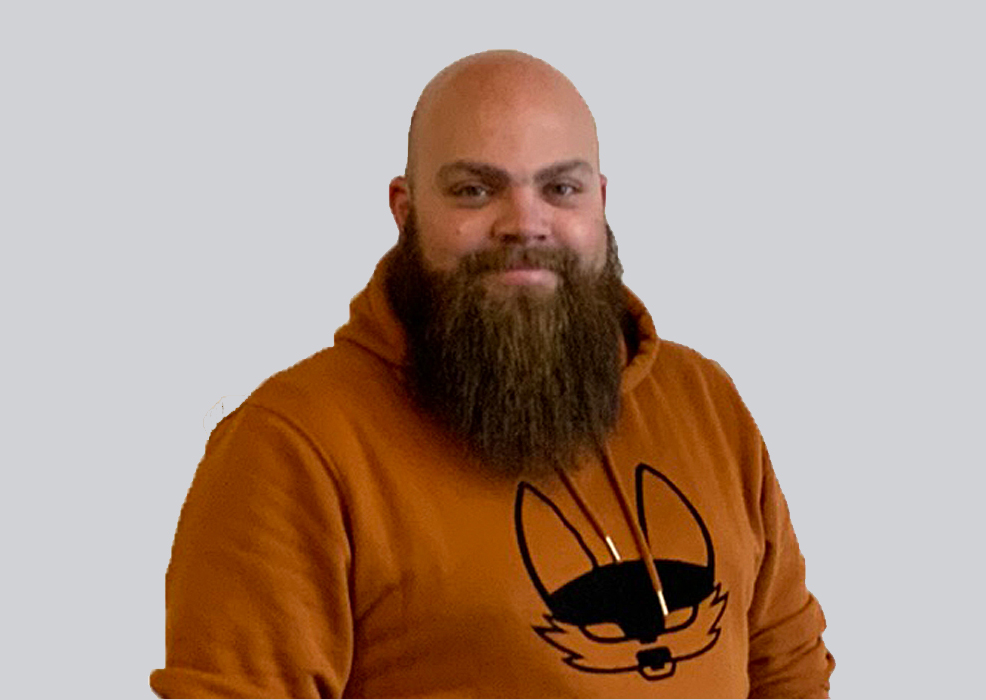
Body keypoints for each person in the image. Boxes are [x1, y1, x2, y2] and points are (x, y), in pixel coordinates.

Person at [150, 49, 834, 698]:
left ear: (599, 201)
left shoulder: (702, 400)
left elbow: (788, 670)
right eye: (476, 190)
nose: (524, 223)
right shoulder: (293, 444)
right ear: (405, 210)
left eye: (560, 188)